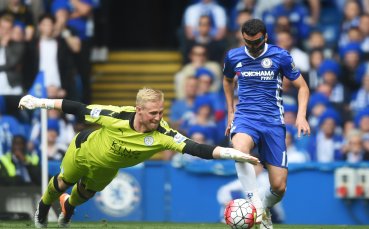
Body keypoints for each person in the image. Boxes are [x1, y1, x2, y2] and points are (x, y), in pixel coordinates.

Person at [18, 87, 260, 228]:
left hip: (107, 168)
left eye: (161, 112)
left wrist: (231, 153)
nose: (158, 117)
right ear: (139, 110)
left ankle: (67, 205)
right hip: (83, 151)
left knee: (83, 195)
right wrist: (39, 102)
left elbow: (195, 148)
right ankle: (42, 208)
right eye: (153, 113)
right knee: (64, 181)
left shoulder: (163, 134)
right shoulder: (116, 115)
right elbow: (78, 108)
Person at [223, 19, 310, 229]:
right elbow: (227, 80)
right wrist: (230, 112)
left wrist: (301, 116)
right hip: (246, 118)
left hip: (273, 122)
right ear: (243, 38)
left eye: (257, 43)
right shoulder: (233, 56)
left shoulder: (280, 56)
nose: (253, 48)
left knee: (279, 186)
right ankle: (256, 208)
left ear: (265, 37)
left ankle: (264, 206)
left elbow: (303, 87)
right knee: (239, 149)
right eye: (248, 43)